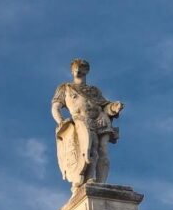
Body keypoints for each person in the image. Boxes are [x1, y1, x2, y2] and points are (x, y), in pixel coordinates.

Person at [51, 59, 123, 187]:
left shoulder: (94, 90)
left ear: (86, 71)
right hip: (82, 121)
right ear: (72, 71)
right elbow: (55, 107)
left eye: (81, 68)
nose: (78, 70)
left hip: (101, 119)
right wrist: (61, 122)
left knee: (103, 150)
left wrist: (114, 107)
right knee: (91, 149)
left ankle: (101, 183)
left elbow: (104, 105)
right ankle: (90, 178)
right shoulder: (65, 88)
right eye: (75, 68)